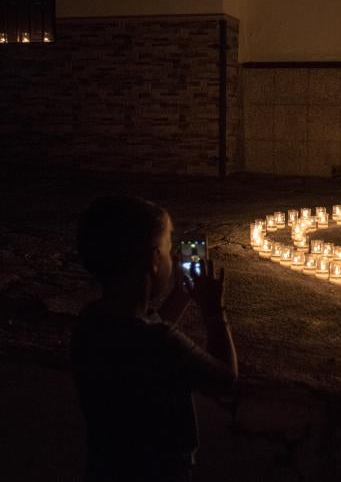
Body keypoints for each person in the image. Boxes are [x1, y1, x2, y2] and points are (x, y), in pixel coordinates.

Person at [72, 195, 238, 482]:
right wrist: (214, 311)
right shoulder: (159, 342)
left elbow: (146, 333)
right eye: (168, 248)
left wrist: (181, 296)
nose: (173, 258)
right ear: (152, 261)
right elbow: (225, 379)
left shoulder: (92, 322)